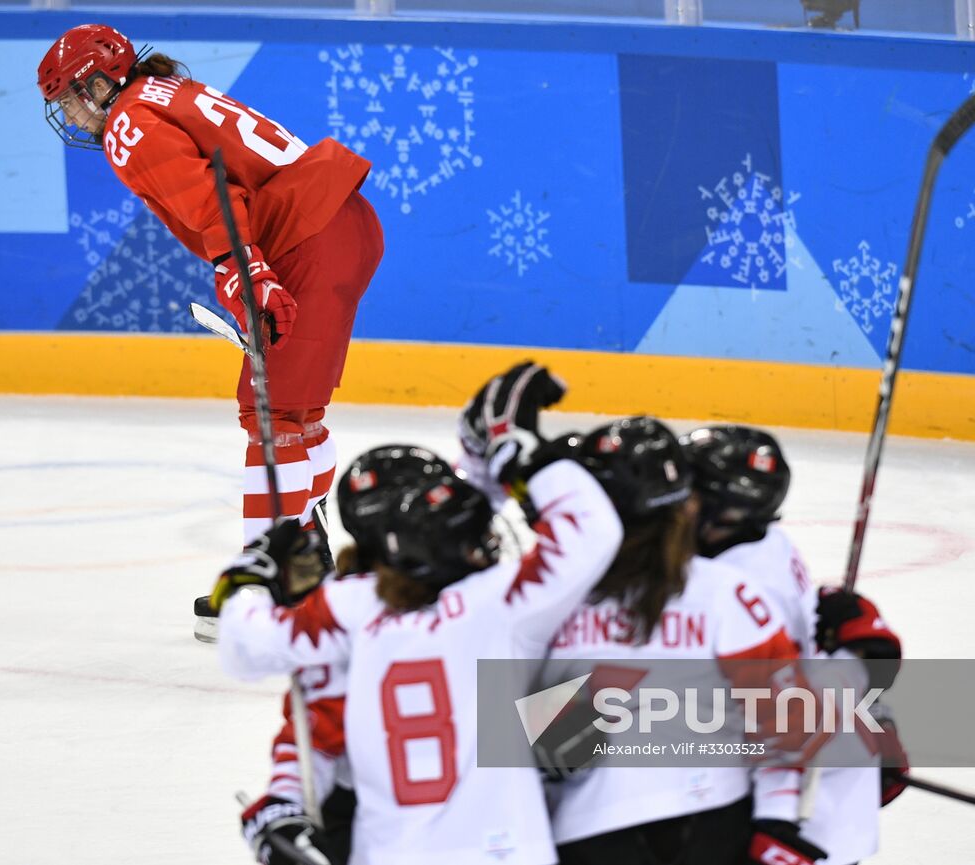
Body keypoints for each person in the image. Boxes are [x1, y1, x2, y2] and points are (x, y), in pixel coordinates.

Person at [36, 24, 382, 637]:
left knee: (272, 416)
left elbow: (209, 195)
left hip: (305, 238)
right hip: (340, 225)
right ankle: (303, 556)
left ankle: (269, 587)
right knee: (298, 414)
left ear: (99, 84)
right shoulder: (165, 91)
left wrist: (244, 270)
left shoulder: (128, 121)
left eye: (69, 98)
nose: (69, 115)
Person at [213, 363, 625, 865]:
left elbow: (254, 654)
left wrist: (249, 578)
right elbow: (589, 533)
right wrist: (507, 450)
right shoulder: (494, 603)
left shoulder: (347, 610)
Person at [535, 416, 820, 865]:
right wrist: (776, 820)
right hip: (714, 818)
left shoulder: (544, 603)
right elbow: (789, 721)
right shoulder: (730, 592)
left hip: (589, 830)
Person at [683, 425, 904, 865]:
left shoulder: (734, 586)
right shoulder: (762, 544)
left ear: (726, 510)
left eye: (689, 492)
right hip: (801, 772)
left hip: (797, 805)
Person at [233, 444, 459, 865]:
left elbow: (313, 724)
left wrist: (248, 581)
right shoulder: (485, 597)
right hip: (480, 825)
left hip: (370, 823)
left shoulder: (340, 607)